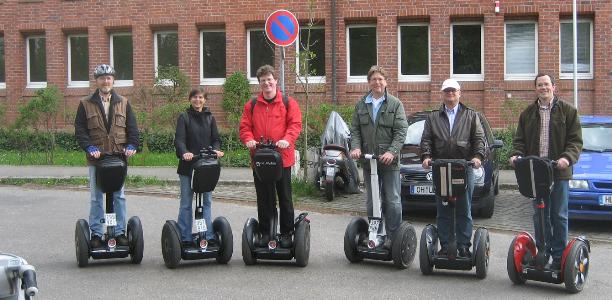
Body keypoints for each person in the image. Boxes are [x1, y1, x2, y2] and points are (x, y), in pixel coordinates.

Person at [509, 73, 582, 270]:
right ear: (535, 89)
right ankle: (542, 252)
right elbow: (519, 141)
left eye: (546, 84)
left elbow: (575, 141)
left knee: (558, 215)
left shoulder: (568, 111)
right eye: (539, 85)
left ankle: (558, 257)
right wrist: (516, 155)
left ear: (553, 87)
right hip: (536, 173)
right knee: (539, 215)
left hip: (558, 172)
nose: (543, 88)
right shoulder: (527, 113)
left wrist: (566, 158)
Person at [74, 64, 139, 248]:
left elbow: (132, 128)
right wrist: (88, 147)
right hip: (97, 158)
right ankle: (96, 233)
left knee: (119, 196)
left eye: (109, 77)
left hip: (119, 157)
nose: (106, 81)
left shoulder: (123, 102)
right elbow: (80, 130)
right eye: (102, 78)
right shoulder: (85, 103)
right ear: (97, 81)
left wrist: (133, 145)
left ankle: (119, 233)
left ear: (113, 80)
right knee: (96, 196)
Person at [420, 78, 485, 258]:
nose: (450, 94)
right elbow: (426, 140)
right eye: (447, 91)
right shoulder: (433, 117)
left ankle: (464, 246)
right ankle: (446, 245)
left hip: (463, 167)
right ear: (442, 94)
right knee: (443, 208)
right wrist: (426, 156)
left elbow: (479, 139)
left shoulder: (471, 115)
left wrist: (478, 157)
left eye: (453, 91)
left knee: (464, 208)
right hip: (440, 167)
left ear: (459, 93)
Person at [239, 65, 302, 248]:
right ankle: (266, 233)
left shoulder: (288, 103)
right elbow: (245, 127)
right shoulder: (252, 105)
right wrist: (249, 139)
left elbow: (295, 125)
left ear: (275, 81)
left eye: (269, 79)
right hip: (260, 159)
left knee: (285, 197)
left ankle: (286, 233)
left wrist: (286, 139)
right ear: (259, 84)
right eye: (263, 80)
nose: (267, 83)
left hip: (282, 158)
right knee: (264, 198)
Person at [349, 65, 408, 248]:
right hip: (369, 161)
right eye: (374, 79)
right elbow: (355, 130)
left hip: (389, 162)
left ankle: (393, 237)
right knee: (372, 199)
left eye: (380, 79)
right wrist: (356, 147)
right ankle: (375, 233)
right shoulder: (361, 104)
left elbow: (401, 131)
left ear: (386, 82)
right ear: (369, 82)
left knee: (392, 199)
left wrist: (392, 151)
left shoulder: (395, 104)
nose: (377, 82)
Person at [174, 87, 224, 247]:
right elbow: (179, 140)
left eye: (201, 97)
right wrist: (184, 152)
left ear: (205, 100)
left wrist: (216, 150)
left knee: (207, 202)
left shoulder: (210, 118)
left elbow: (216, 139)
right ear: (190, 99)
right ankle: (185, 236)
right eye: (194, 97)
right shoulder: (184, 117)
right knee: (186, 203)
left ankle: (207, 235)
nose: (198, 100)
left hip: (205, 167)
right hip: (188, 167)